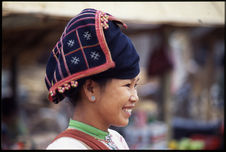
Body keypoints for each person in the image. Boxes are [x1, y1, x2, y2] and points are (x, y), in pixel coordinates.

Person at [45, 8, 140, 150]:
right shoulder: (66, 147)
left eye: (136, 86)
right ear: (91, 89)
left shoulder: (116, 139)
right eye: (127, 85)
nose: (135, 97)